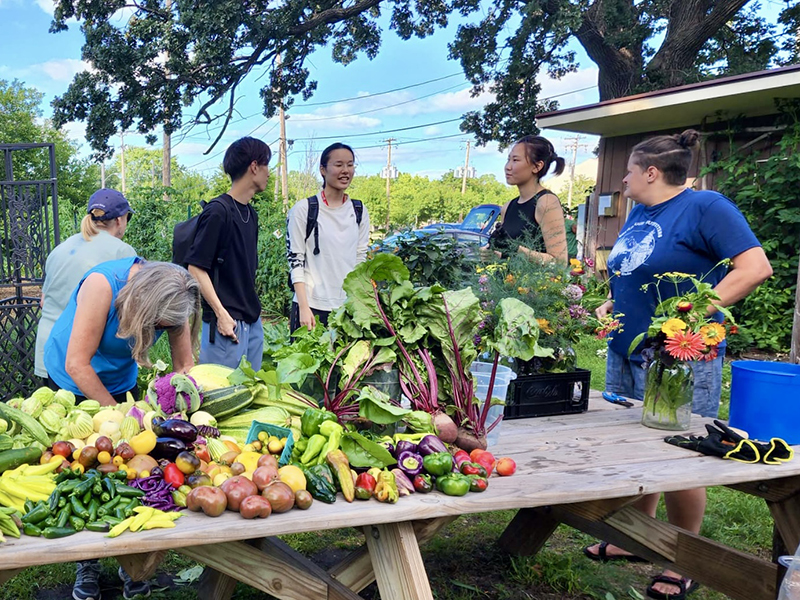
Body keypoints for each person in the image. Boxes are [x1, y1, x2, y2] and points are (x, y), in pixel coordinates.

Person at [588, 129, 772, 600]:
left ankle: (681, 559)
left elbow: (754, 268)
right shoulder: (641, 211)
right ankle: (639, 536)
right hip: (628, 349)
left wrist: (687, 318)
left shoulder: (707, 207)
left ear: (651, 172)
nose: (622, 179)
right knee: (635, 444)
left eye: (628, 171)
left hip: (679, 355)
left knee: (680, 453)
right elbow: (637, 267)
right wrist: (614, 302)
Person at [43, 258, 201, 600]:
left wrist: (189, 404)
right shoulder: (102, 284)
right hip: (72, 380)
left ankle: (132, 564)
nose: (161, 329)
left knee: (127, 472)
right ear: (142, 304)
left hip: (118, 381)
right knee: (85, 470)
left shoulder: (175, 291)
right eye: (156, 325)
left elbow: (184, 365)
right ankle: (87, 562)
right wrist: (117, 415)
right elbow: (77, 363)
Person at [186, 137, 271, 370]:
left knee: (249, 395)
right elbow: (195, 267)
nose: (269, 173)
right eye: (267, 165)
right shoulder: (217, 211)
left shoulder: (250, 214)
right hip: (226, 323)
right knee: (221, 398)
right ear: (254, 166)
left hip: (251, 321)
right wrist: (221, 314)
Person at [35, 188, 136, 382]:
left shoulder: (60, 249)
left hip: (49, 354)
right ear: (119, 220)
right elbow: (131, 311)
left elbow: (44, 302)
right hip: (90, 362)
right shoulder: (124, 252)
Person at [286, 142, 370, 332]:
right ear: (323, 170)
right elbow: (295, 260)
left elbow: (360, 258)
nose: (346, 171)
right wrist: (304, 308)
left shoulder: (359, 210)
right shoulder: (304, 209)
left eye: (350, 165)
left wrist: (360, 303)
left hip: (347, 308)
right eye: (338, 165)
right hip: (311, 307)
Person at [488, 135, 569, 265]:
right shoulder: (508, 206)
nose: (508, 167)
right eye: (508, 160)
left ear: (537, 166)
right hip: (507, 283)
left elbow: (559, 262)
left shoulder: (546, 202)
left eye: (515, 160)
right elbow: (505, 256)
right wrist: (490, 253)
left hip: (536, 284)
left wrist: (516, 249)